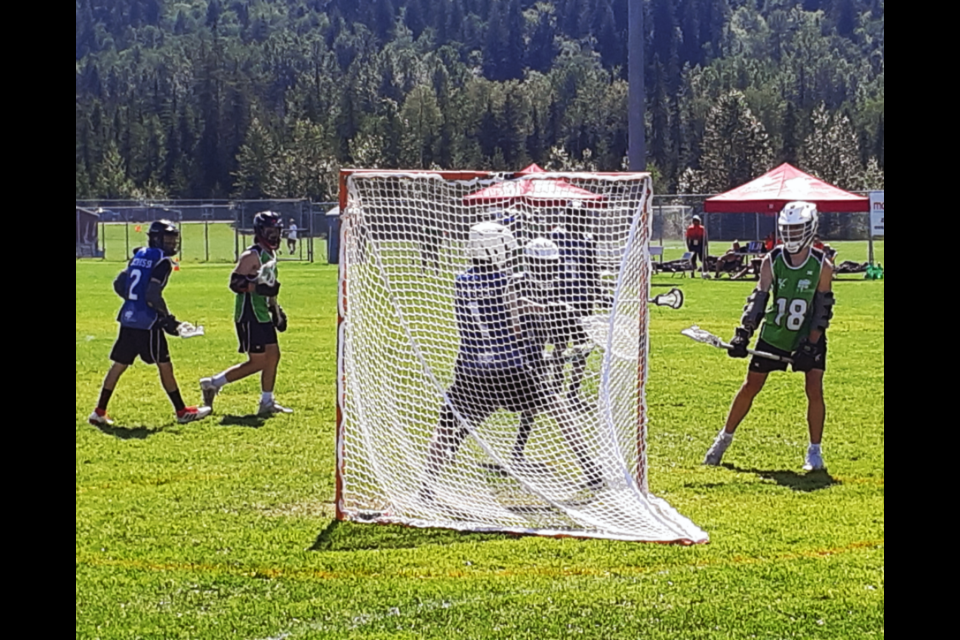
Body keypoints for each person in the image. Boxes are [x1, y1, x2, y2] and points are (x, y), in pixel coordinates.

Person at [420, 222, 602, 499]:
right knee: (558, 408)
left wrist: (538, 308)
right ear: (498, 249)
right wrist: (552, 311)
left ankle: (426, 486)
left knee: (444, 429)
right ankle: (590, 468)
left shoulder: (460, 281)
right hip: (510, 368)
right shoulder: (508, 281)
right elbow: (516, 324)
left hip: (470, 369)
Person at [703, 201, 835, 471]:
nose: (792, 236)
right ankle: (723, 439)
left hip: (807, 337)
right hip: (775, 333)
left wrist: (810, 346)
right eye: (788, 230)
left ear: (810, 230)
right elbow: (759, 299)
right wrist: (743, 334)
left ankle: (815, 451)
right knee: (750, 386)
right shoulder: (771, 260)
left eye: (798, 230)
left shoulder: (822, 265)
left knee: (814, 389)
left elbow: (822, 309)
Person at [89, 221, 211, 426]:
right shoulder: (162, 262)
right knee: (165, 365)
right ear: (156, 238)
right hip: (147, 322)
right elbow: (152, 294)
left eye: (173, 239)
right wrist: (167, 318)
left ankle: (99, 411)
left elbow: (120, 284)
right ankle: (182, 411)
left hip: (128, 317)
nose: (172, 243)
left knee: (119, 365)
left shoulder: (140, 254)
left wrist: (133, 302)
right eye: (168, 239)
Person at [200, 211, 292, 417]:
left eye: (276, 230)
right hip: (249, 315)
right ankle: (213, 383)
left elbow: (269, 287)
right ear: (259, 231)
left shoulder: (271, 255)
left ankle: (267, 401)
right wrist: (257, 289)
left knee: (274, 356)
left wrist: (276, 310)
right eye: (269, 230)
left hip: (262, 314)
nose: (274, 235)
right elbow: (235, 283)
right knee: (258, 361)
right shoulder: (251, 255)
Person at [549, 203, 601, 411]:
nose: (580, 221)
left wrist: (598, 293)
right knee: (560, 346)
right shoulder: (555, 237)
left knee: (582, 346)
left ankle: (572, 393)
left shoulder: (587, 240)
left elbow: (592, 270)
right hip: (560, 300)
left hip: (581, 301)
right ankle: (554, 390)